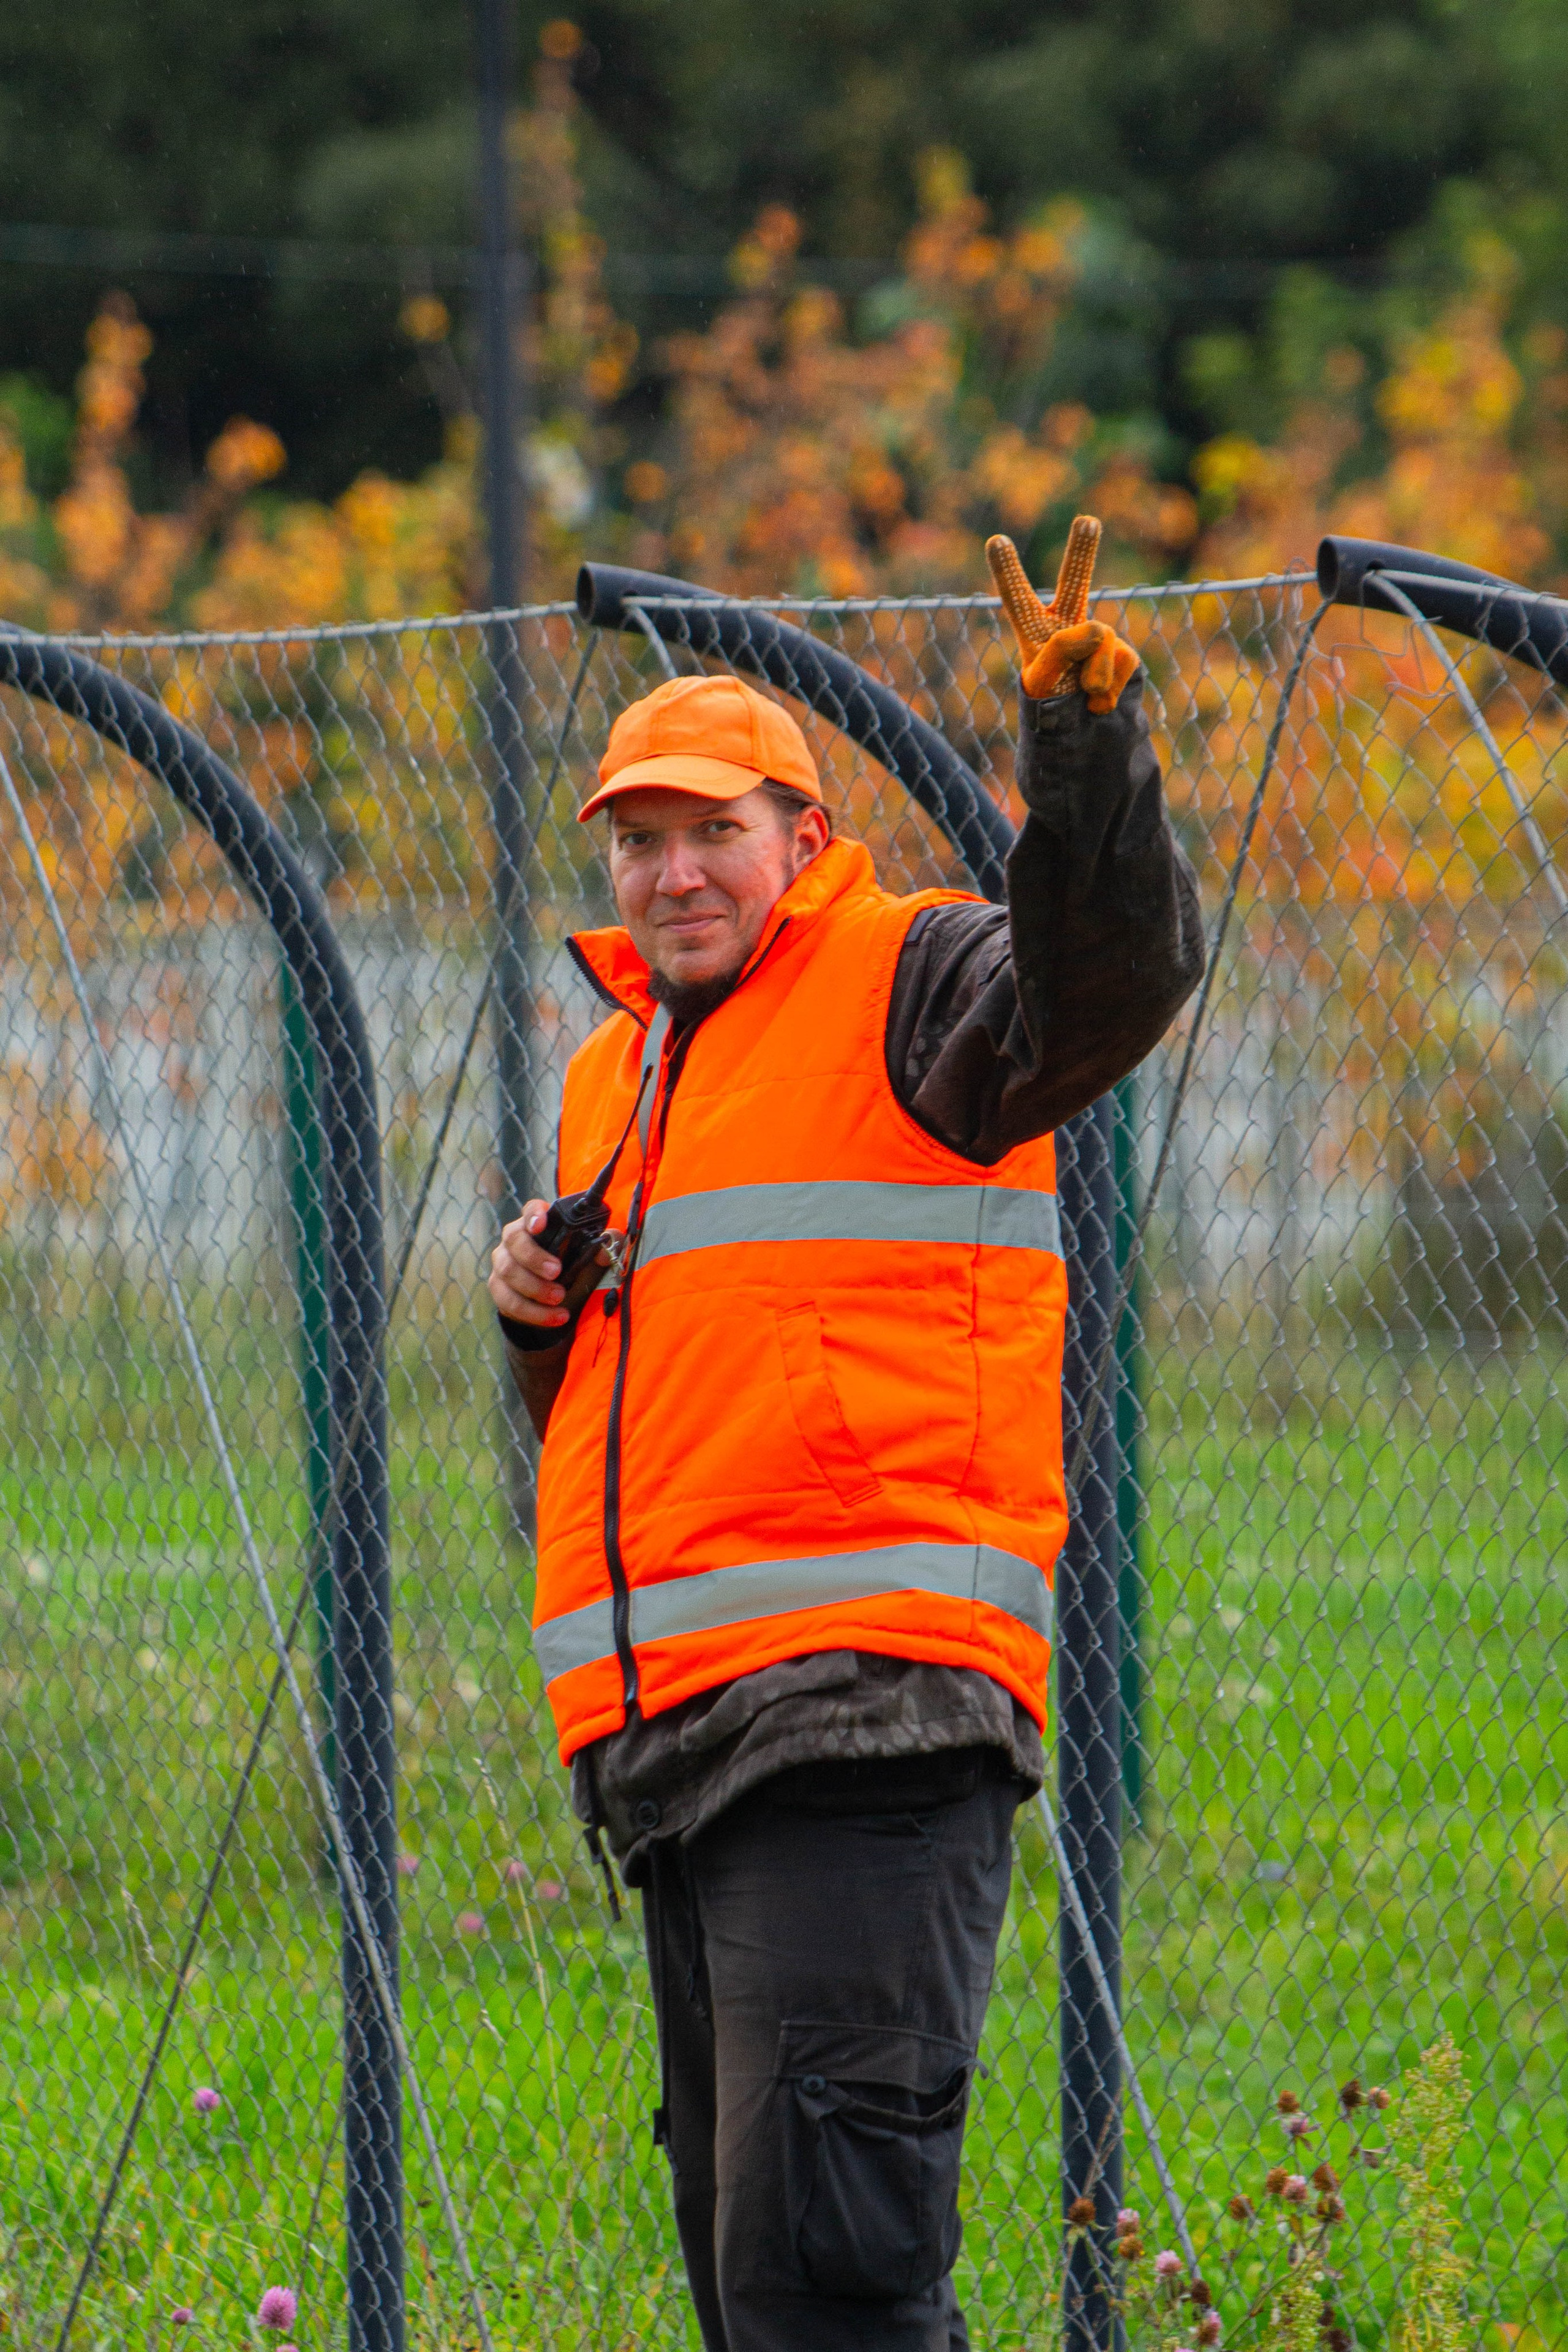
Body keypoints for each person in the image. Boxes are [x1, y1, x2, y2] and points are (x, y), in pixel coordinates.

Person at [487, 585, 1202, 2352]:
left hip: (868, 1719)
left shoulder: (920, 977)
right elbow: (653, 1409)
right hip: (682, 1754)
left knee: (834, 2286)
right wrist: (536, 1318)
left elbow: (1112, 980)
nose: (674, 876)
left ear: (805, 838)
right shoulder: (619, 1072)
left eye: (715, 834)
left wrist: (1084, 752)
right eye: (641, 842)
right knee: (763, 2291)